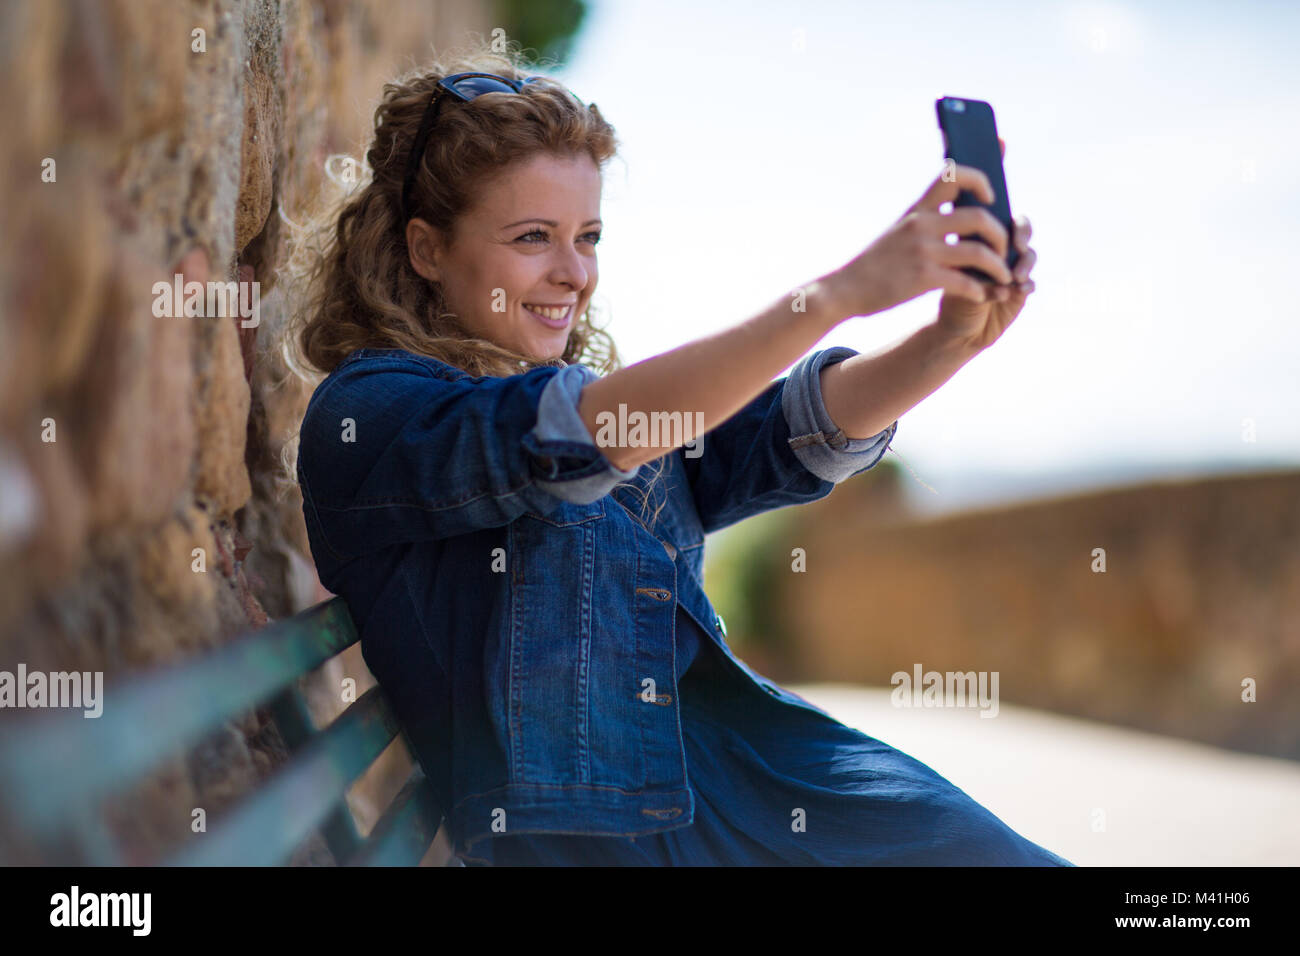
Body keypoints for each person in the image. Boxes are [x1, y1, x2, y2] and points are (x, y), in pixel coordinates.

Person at [288, 39, 1071, 866]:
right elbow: (569, 440)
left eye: (586, 236)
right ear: (426, 249)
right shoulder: (373, 413)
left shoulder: (597, 399)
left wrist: (948, 342)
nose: (573, 273)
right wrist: (839, 295)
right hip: (634, 834)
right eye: (532, 238)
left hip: (756, 771)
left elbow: (760, 442)